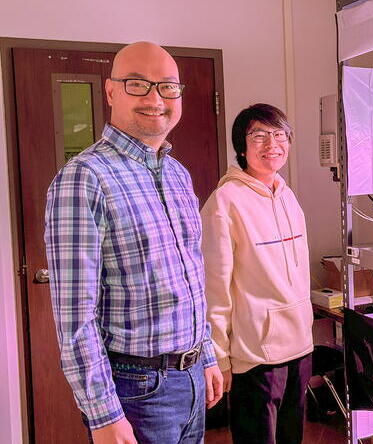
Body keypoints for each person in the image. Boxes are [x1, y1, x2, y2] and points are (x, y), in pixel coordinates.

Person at [44, 41, 224, 444]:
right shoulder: (85, 178)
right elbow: (75, 318)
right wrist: (103, 415)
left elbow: (190, 279)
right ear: (111, 92)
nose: (155, 99)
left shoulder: (177, 174)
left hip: (191, 378)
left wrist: (205, 355)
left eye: (167, 87)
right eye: (138, 84)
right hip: (137, 390)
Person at [201, 103, 313, 444]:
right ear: (242, 146)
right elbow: (214, 288)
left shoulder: (287, 194)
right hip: (255, 356)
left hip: (300, 346)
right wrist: (219, 355)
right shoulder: (224, 202)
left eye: (279, 135)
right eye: (260, 136)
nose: (272, 144)